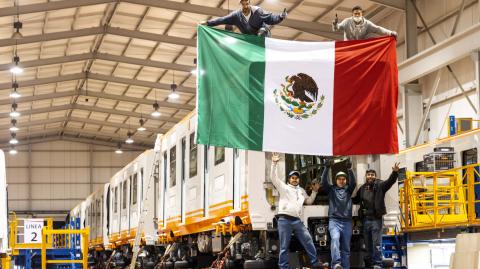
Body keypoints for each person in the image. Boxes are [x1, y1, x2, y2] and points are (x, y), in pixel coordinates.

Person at [271, 153, 322, 269]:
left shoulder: (302, 190)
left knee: (308, 240)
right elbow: (273, 178)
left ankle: (315, 263)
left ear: (299, 179)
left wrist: (314, 191)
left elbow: (308, 202)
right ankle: (283, 267)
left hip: (297, 221)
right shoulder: (283, 187)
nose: (295, 179)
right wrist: (274, 163)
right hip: (284, 220)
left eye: (296, 178)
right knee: (284, 246)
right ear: (289, 179)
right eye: (292, 178)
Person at [352, 163, 400, 269]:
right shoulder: (362, 188)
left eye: (372, 174)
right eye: (368, 174)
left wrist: (395, 172)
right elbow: (355, 200)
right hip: (365, 220)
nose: (370, 176)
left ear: (375, 176)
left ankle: (377, 263)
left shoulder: (380, 185)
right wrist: (346, 195)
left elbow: (390, 182)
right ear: (366, 177)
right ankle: (369, 264)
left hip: (376, 220)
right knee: (368, 245)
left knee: (376, 243)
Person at [321, 159, 356, 269]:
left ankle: (345, 267)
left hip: (347, 222)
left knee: (346, 248)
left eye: (343, 179)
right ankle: (336, 264)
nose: (341, 181)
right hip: (334, 221)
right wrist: (326, 168)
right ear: (335, 181)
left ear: (346, 180)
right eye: (339, 179)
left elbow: (353, 182)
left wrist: (350, 169)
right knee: (335, 240)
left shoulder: (348, 190)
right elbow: (323, 182)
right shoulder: (331, 190)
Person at [200, 0, 287, 37]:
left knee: (262, 30)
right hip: (249, 38)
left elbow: (271, 18)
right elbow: (222, 19)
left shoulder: (258, 11)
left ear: (249, 2)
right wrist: (208, 23)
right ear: (240, 4)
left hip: (262, 34)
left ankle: (262, 45)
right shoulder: (236, 16)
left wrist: (280, 16)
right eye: (243, 4)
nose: (245, 6)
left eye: (246, 3)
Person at [332, 5, 397, 41]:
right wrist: (335, 24)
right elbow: (337, 28)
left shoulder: (367, 24)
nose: (357, 15)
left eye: (358, 13)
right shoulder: (347, 21)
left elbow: (378, 29)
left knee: (372, 38)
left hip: (360, 47)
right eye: (355, 14)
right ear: (352, 14)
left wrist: (390, 33)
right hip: (348, 47)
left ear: (362, 14)